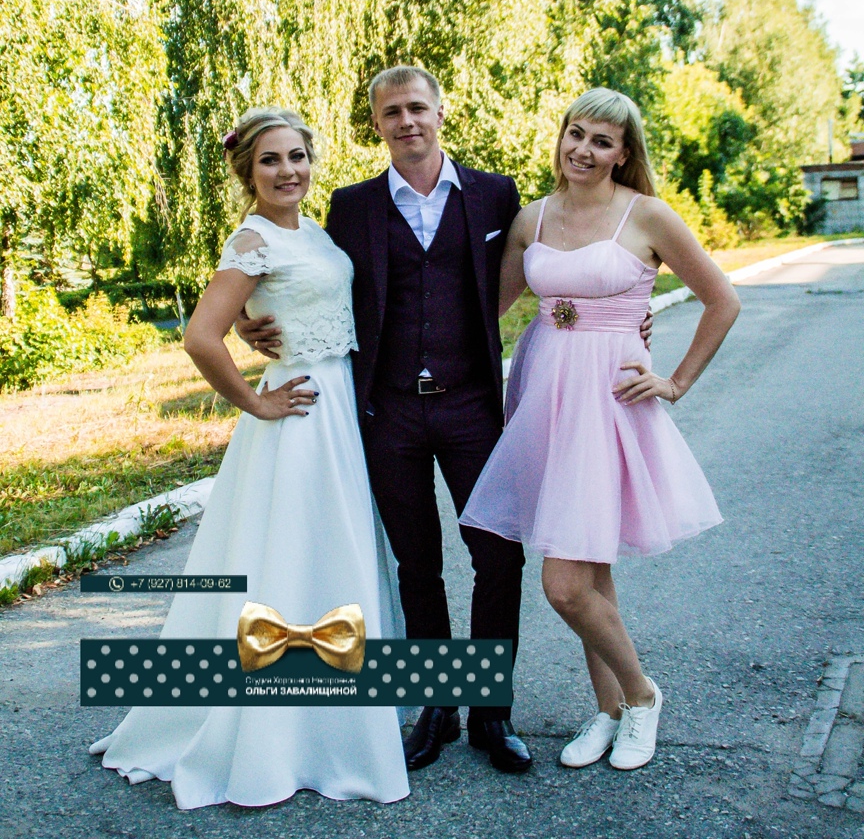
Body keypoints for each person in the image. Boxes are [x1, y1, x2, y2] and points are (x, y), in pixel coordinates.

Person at [238, 68, 654, 774]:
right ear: (376, 124)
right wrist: (248, 321)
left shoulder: (495, 194)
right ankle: (436, 707)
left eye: (417, 108)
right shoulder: (352, 206)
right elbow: (302, 272)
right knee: (418, 564)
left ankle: (491, 712)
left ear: (439, 112)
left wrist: (626, 317)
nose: (406, 122)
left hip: (472, 406)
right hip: (390, 409)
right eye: (391, 112)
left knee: (498, 557)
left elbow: (550, 273)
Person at [90, 107, 409, 809]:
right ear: (248, 171)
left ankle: (327, 720)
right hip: (296, 416)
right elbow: (199, 336)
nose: (288, 170)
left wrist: (246, 318)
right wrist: (255, 402)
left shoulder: (310, 230)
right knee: (288, 558)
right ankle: (276, 734)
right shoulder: (253, 237)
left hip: (337, 412)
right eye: (271, 160)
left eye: (297, 156)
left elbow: (274, 299)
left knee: (325, 553)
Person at [459, 87, 740, 771]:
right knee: (590, 571)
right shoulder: (531, 218)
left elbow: (722, 300)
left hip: (608, 404)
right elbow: (480, 309)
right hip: (545, 398)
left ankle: (642, 697)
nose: (583, 150)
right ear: (561, 136)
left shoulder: (647, 215)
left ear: (623, 154)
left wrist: (675, 382)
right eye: (575, 134)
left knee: (565, 584)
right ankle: (609, 710)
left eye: (602, 141)